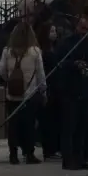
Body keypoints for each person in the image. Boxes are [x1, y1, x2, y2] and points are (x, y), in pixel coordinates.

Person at [55, 8, 88, 171]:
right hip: (69, 90)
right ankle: (68, 159)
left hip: (85, 89)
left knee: (83, 126)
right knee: (69, 126)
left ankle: (81, 157)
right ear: (77, 27)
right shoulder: (66, 43)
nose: (84, 31)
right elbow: (59, 63)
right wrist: (74, 64)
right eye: (82, 28)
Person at [0, 21, 45, 165]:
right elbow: (40, 73)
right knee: (28, 125)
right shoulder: (35, 51)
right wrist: (43, 89)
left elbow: (1, 70)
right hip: (30, 94)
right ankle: (29, 153)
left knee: (13, 125)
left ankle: (13, 154)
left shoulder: (7, 51)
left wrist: (9, 80)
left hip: (12, 94)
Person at [35, 22, 62, 159]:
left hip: (57, 87)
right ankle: (49, 149)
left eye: (55, 31)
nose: (54, 34)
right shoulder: (42, 51)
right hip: (48, 86)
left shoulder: (56, 48)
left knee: (56, 119)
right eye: (51, 31)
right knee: (48, 120)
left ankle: (56, 147)